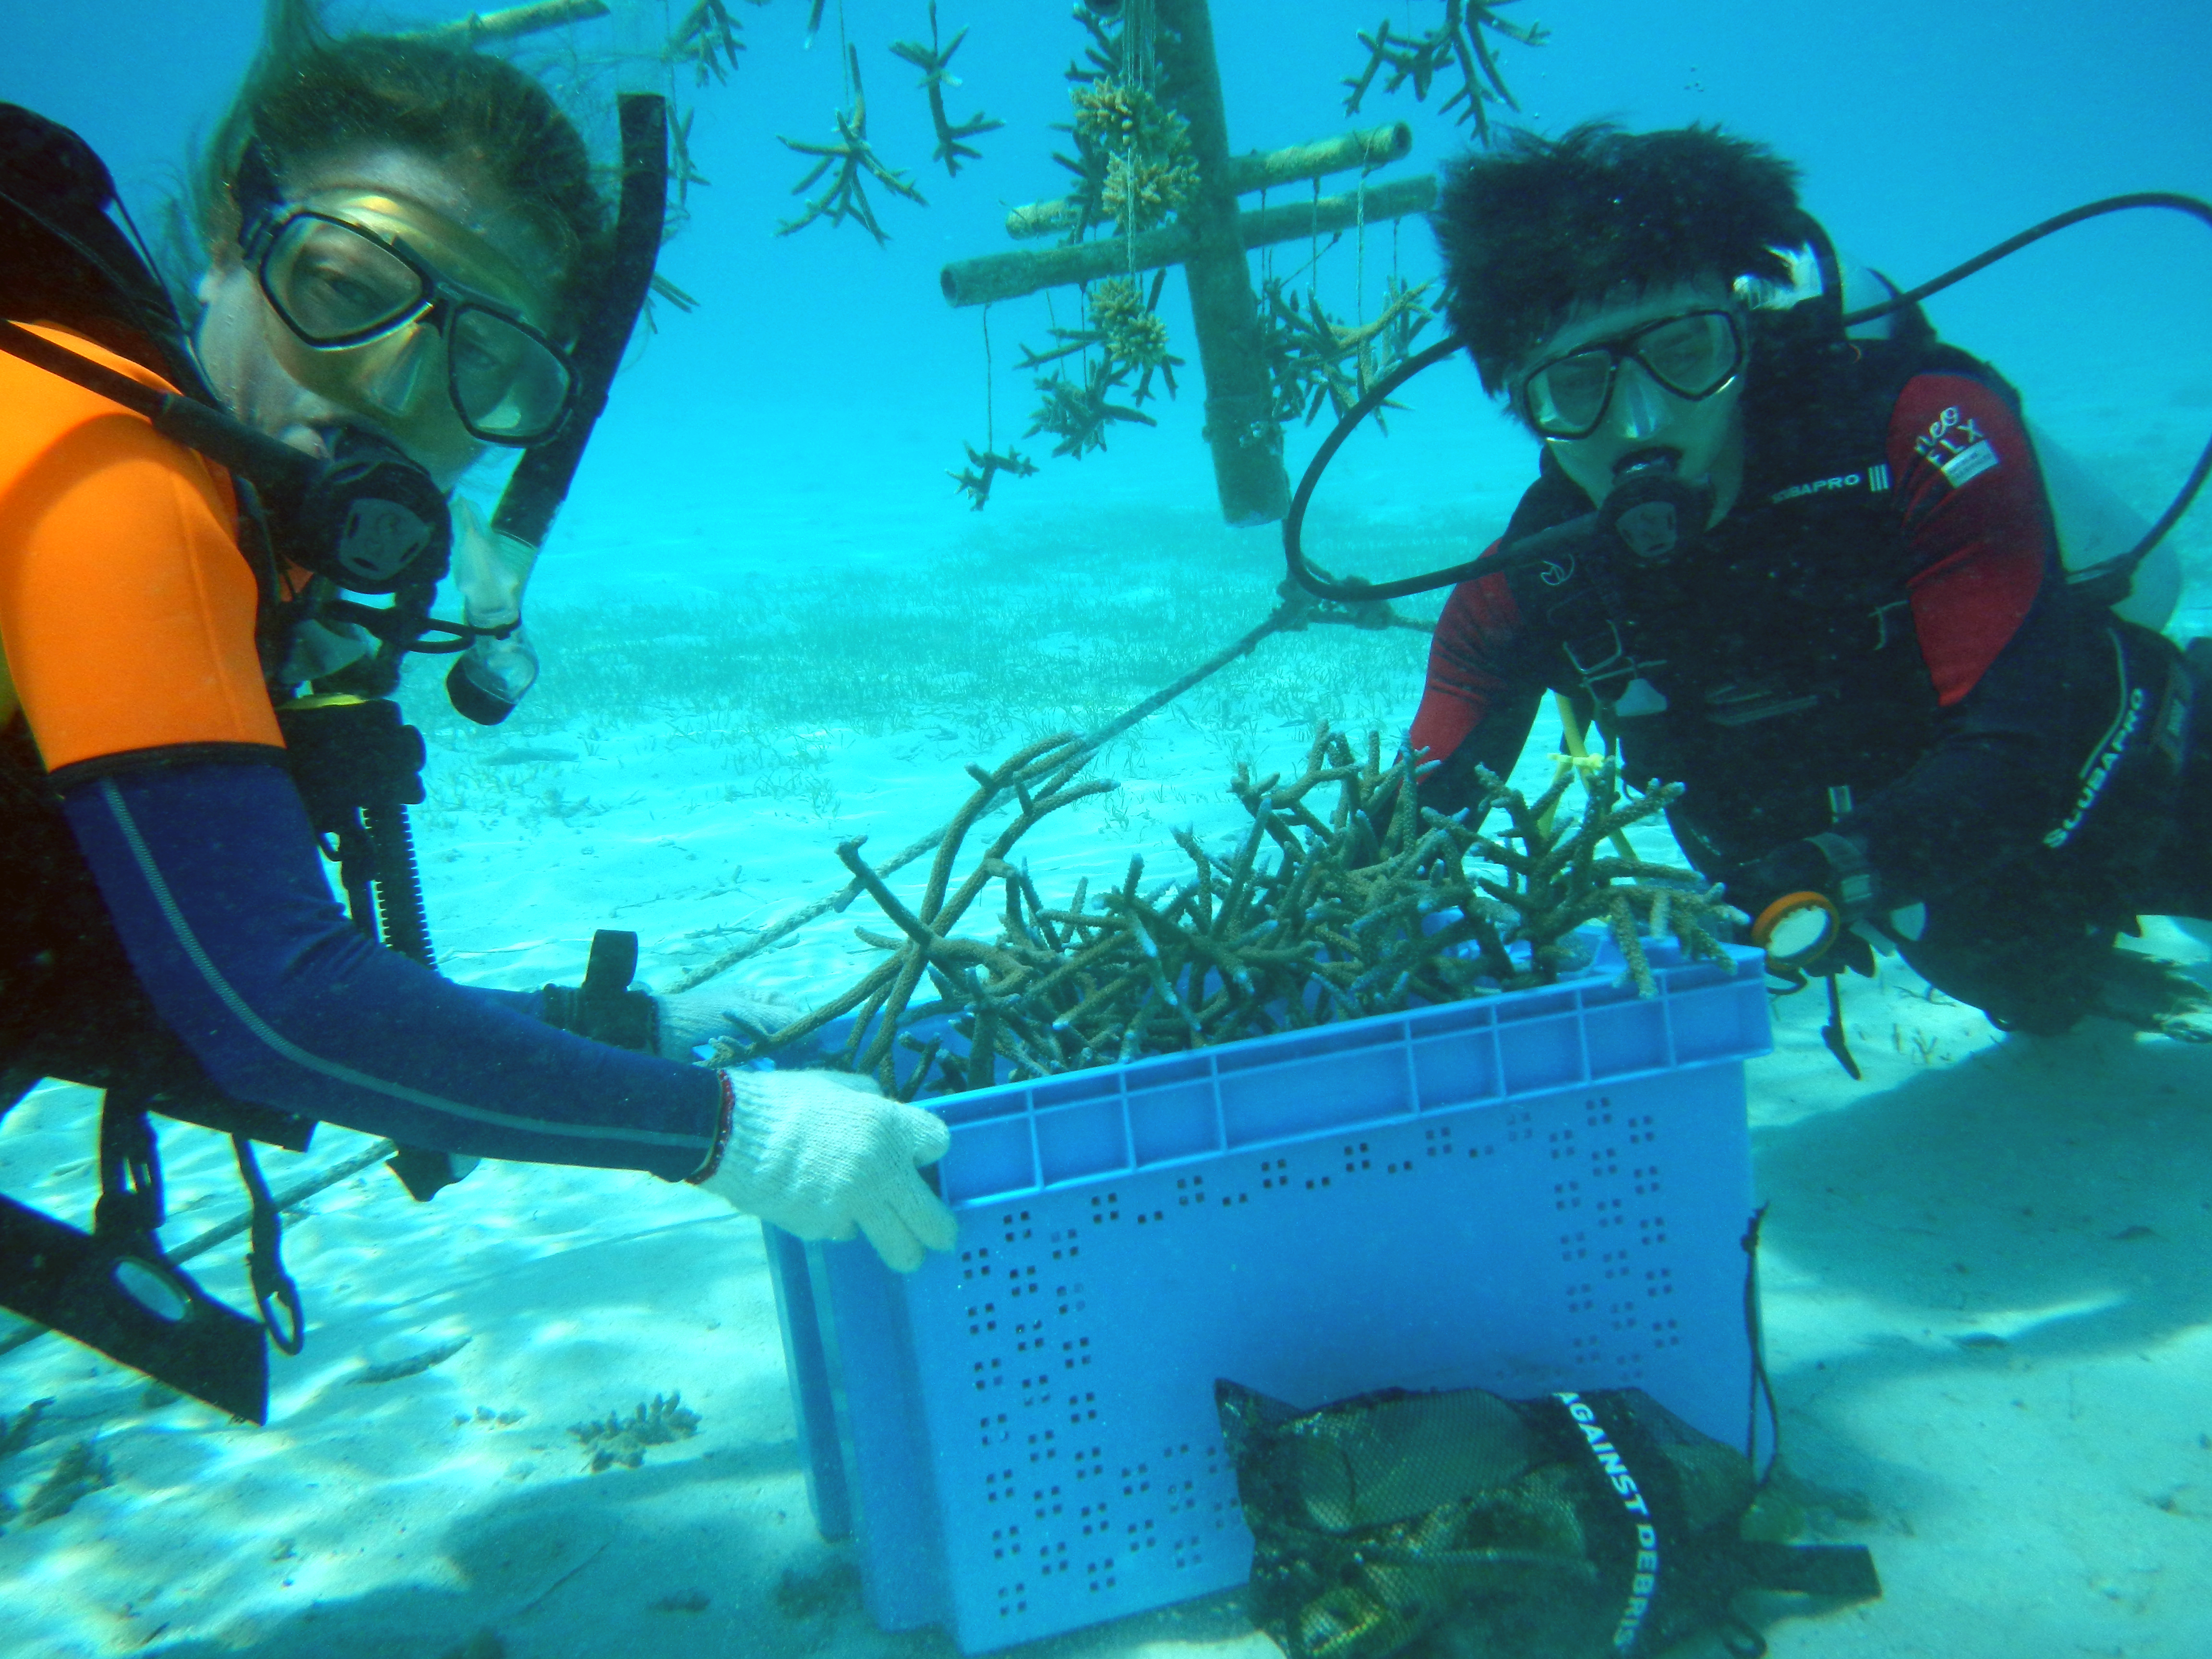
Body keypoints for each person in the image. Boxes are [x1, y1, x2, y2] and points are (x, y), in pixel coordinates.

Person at [0, 1, 955, 1390]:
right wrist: (729, 1131)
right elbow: (274, 1008)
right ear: (231, 228)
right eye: (342, 286)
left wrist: (616, 1033)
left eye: (485, 365)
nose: (388, 383)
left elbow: (107, 969)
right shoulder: (115, 487)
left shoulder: (158, 489)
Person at [1407, 122, 2212, 1040]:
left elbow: (2015, 757)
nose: (1642, 423)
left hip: (2129, 760)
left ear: (1742, 332)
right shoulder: (1534, 579)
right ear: (1521, 403)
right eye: (1577, 381)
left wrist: (1833, 870)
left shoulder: (1919, 431)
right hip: (1917, 874)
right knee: (2024, 973)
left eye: (1684, 352)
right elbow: (1406, 830)